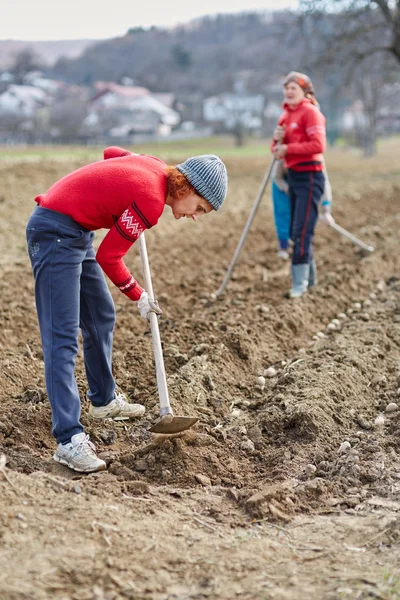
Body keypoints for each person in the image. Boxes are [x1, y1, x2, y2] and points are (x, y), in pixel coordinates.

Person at [26, 147, 228, 473]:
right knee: (61, 336)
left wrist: (125, 174)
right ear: (186, 187)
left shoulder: (154, 167)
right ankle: (68, 440)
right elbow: (110, 257)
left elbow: (112, 153)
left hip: (76, 232)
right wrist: (138, 294)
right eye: (200, 208)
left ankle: (103, 401)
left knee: (101, 315)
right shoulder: (150, 202)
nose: (194, 216)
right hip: (53, 233)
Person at [271, 71, 333, 297]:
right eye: (286, 88)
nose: (288, 92)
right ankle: (310, 279)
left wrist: (289, 149)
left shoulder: (311, 113)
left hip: (310, 175)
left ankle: (300, 284)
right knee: (297, 230)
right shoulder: (284, 116)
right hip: (293, 176)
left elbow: (318, 145)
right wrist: (278, 143)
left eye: (293, 88)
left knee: (301, 230)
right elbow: (275, 151)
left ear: (305, 91)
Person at [271, 157, 333, 265]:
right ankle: (284, 245)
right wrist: (289, 190)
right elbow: (276, 177)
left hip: (305, 183)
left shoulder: (317, 160)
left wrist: (326, 209)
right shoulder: (285, 156)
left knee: (303, 217)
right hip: (283, 181)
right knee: (283, 212)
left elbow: (324, 184)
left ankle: (299, 247)